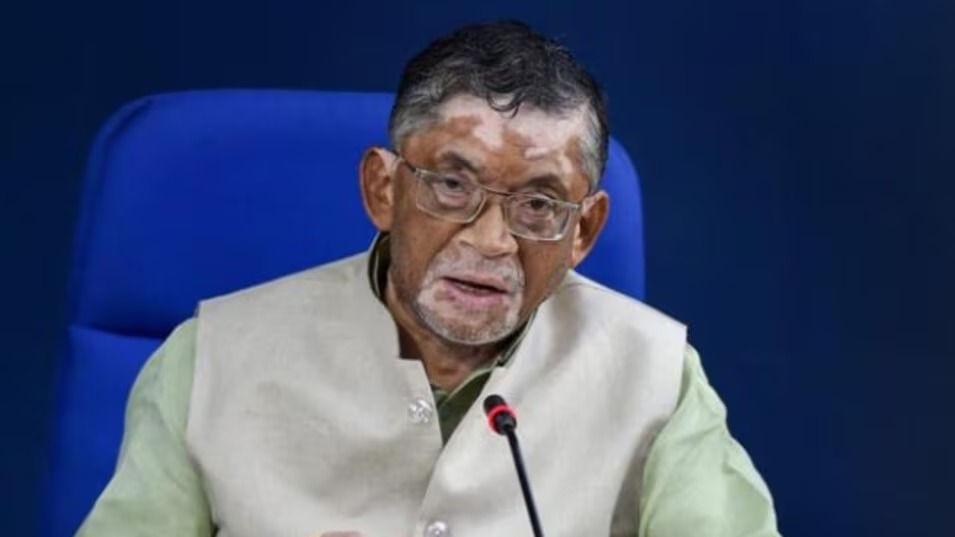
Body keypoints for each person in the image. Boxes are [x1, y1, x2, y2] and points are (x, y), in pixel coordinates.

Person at [78, 20, 780, 537]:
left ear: (584, 232)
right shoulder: (209, 358)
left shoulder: (656, 378)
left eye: (539, 204)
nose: (490, 240)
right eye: (451, 185)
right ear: (383, 190)